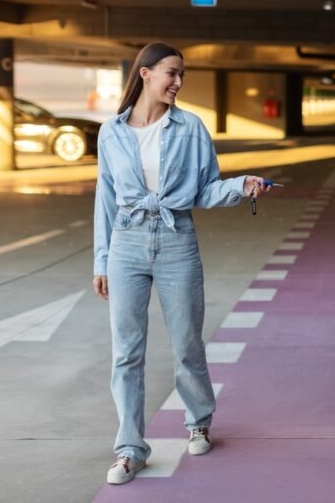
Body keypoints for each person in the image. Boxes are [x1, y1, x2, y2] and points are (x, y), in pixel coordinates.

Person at [92, 42, 269, 485]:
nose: (178, 82)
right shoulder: (111, 132)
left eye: (182, 75)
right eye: (172, 73)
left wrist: (240, 186)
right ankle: (130, 449)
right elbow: (106, 201)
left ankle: (199, 420)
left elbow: (206, 189)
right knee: (126, 352)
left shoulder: (191, 128)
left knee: (187, 342)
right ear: (146, 74)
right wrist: (102, 260)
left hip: (176, 241)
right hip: (126, 244)